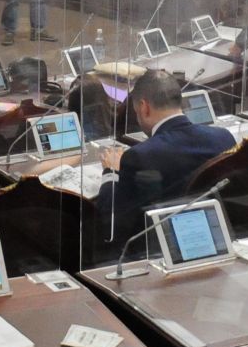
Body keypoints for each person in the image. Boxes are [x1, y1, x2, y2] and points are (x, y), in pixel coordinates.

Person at [92, 70, 233, 241]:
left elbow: (111, 223)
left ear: (144, 107)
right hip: (216, 234)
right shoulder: (223, 137)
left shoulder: (139, 156)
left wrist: (111, 172)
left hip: (154, 244)